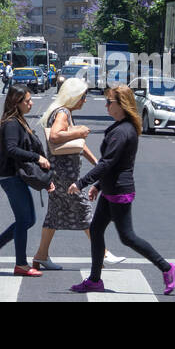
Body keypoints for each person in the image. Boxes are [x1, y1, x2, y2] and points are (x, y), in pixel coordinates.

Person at [68, 85, 175, 294]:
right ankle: (94, 280)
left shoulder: (122, 131)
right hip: (111, 189)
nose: (106, 106)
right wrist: (99, 186)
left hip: (119, 191)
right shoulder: (119, 127)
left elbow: (107, 163)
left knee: (127, 236)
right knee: (96, 230)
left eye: (109, 102)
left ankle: (167, 267)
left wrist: (82, 183)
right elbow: (114, 163)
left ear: (122, 104)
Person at [30, 76, 123, 270]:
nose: (85, 100)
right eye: (82, 96)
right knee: (84, 210)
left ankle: (41, 255)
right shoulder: (63, 113)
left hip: (60, 173)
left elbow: (77, 145)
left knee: (54, 215)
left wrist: (97, 163)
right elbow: (56, 136)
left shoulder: (64, 111)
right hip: (65, 176)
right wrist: (79, 131)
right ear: (73, 97)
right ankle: (103, 252)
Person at [0, 84, 50, 277]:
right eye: (27, 100)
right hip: (10, 176)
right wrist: (37, 158)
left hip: (14, 176)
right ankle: (20, 264)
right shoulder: (11, 123)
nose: (31, 103)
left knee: (28, 219)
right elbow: (11, 149)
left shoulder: (18, 121)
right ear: (16, 102)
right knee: (24, 220)